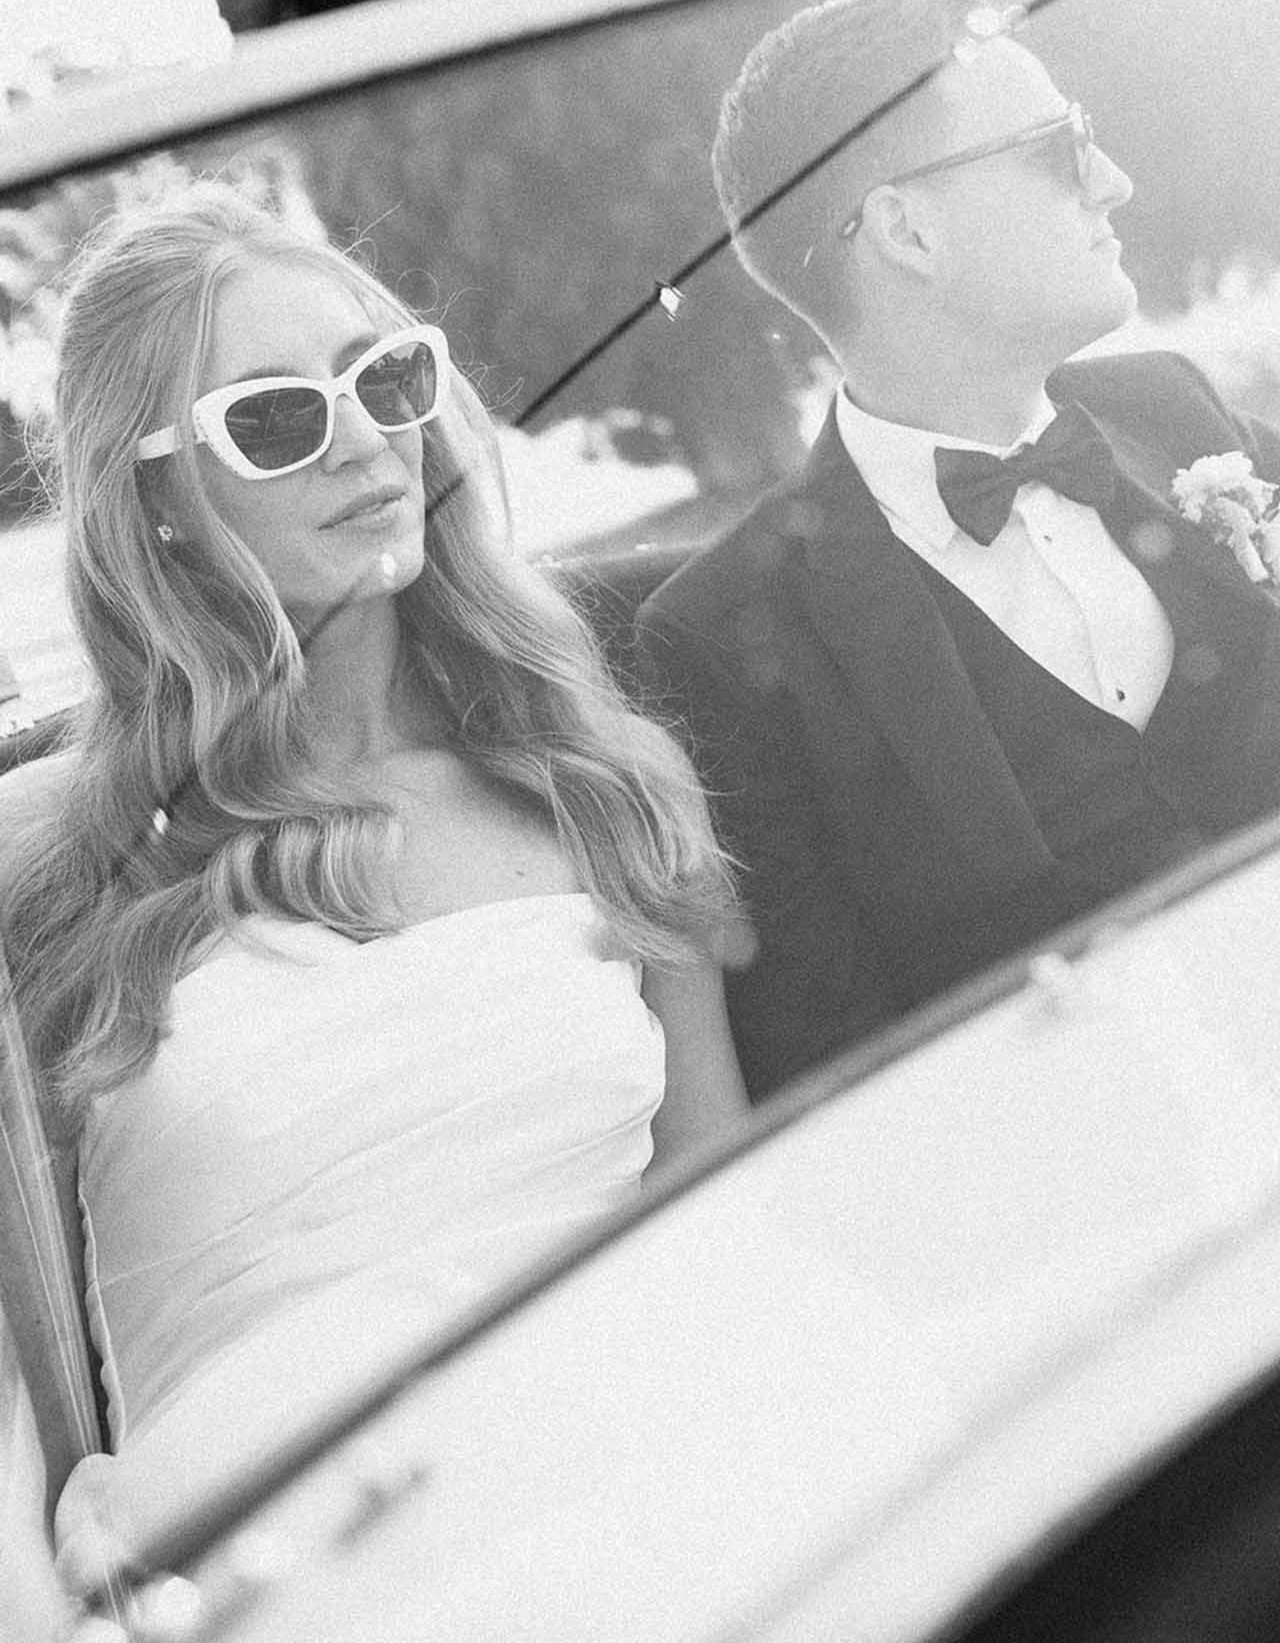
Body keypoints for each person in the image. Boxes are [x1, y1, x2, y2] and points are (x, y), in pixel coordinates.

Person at [0, 183, 748, 1603]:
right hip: (290, 1570)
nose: (363, 439)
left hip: (657, 1495)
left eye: (386, 376)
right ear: (154, 500)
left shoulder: (601, 778)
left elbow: (720, 1205)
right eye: (275, 419)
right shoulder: (54, 875)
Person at [637, 0, 1280, 1103]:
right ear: (908, 228)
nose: (1112, 180)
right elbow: (839, 1074)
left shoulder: (1167, 412)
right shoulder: (724, 640)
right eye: (1058, 144)